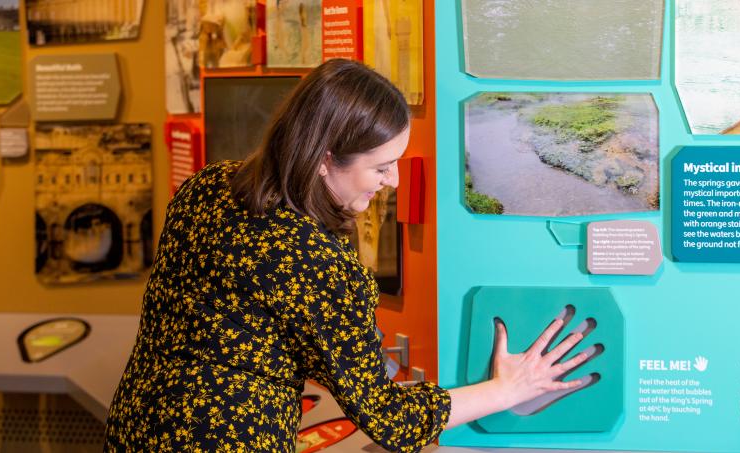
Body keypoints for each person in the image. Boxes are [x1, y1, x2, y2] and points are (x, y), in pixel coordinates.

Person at [103, 59, 590, 452]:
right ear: (324, 158)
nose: (394, 181)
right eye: (382, 166)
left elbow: (232, 324)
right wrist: (508, 388)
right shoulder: (319, 264)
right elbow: (389, 421)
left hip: (136, 426)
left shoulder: (208, 186)